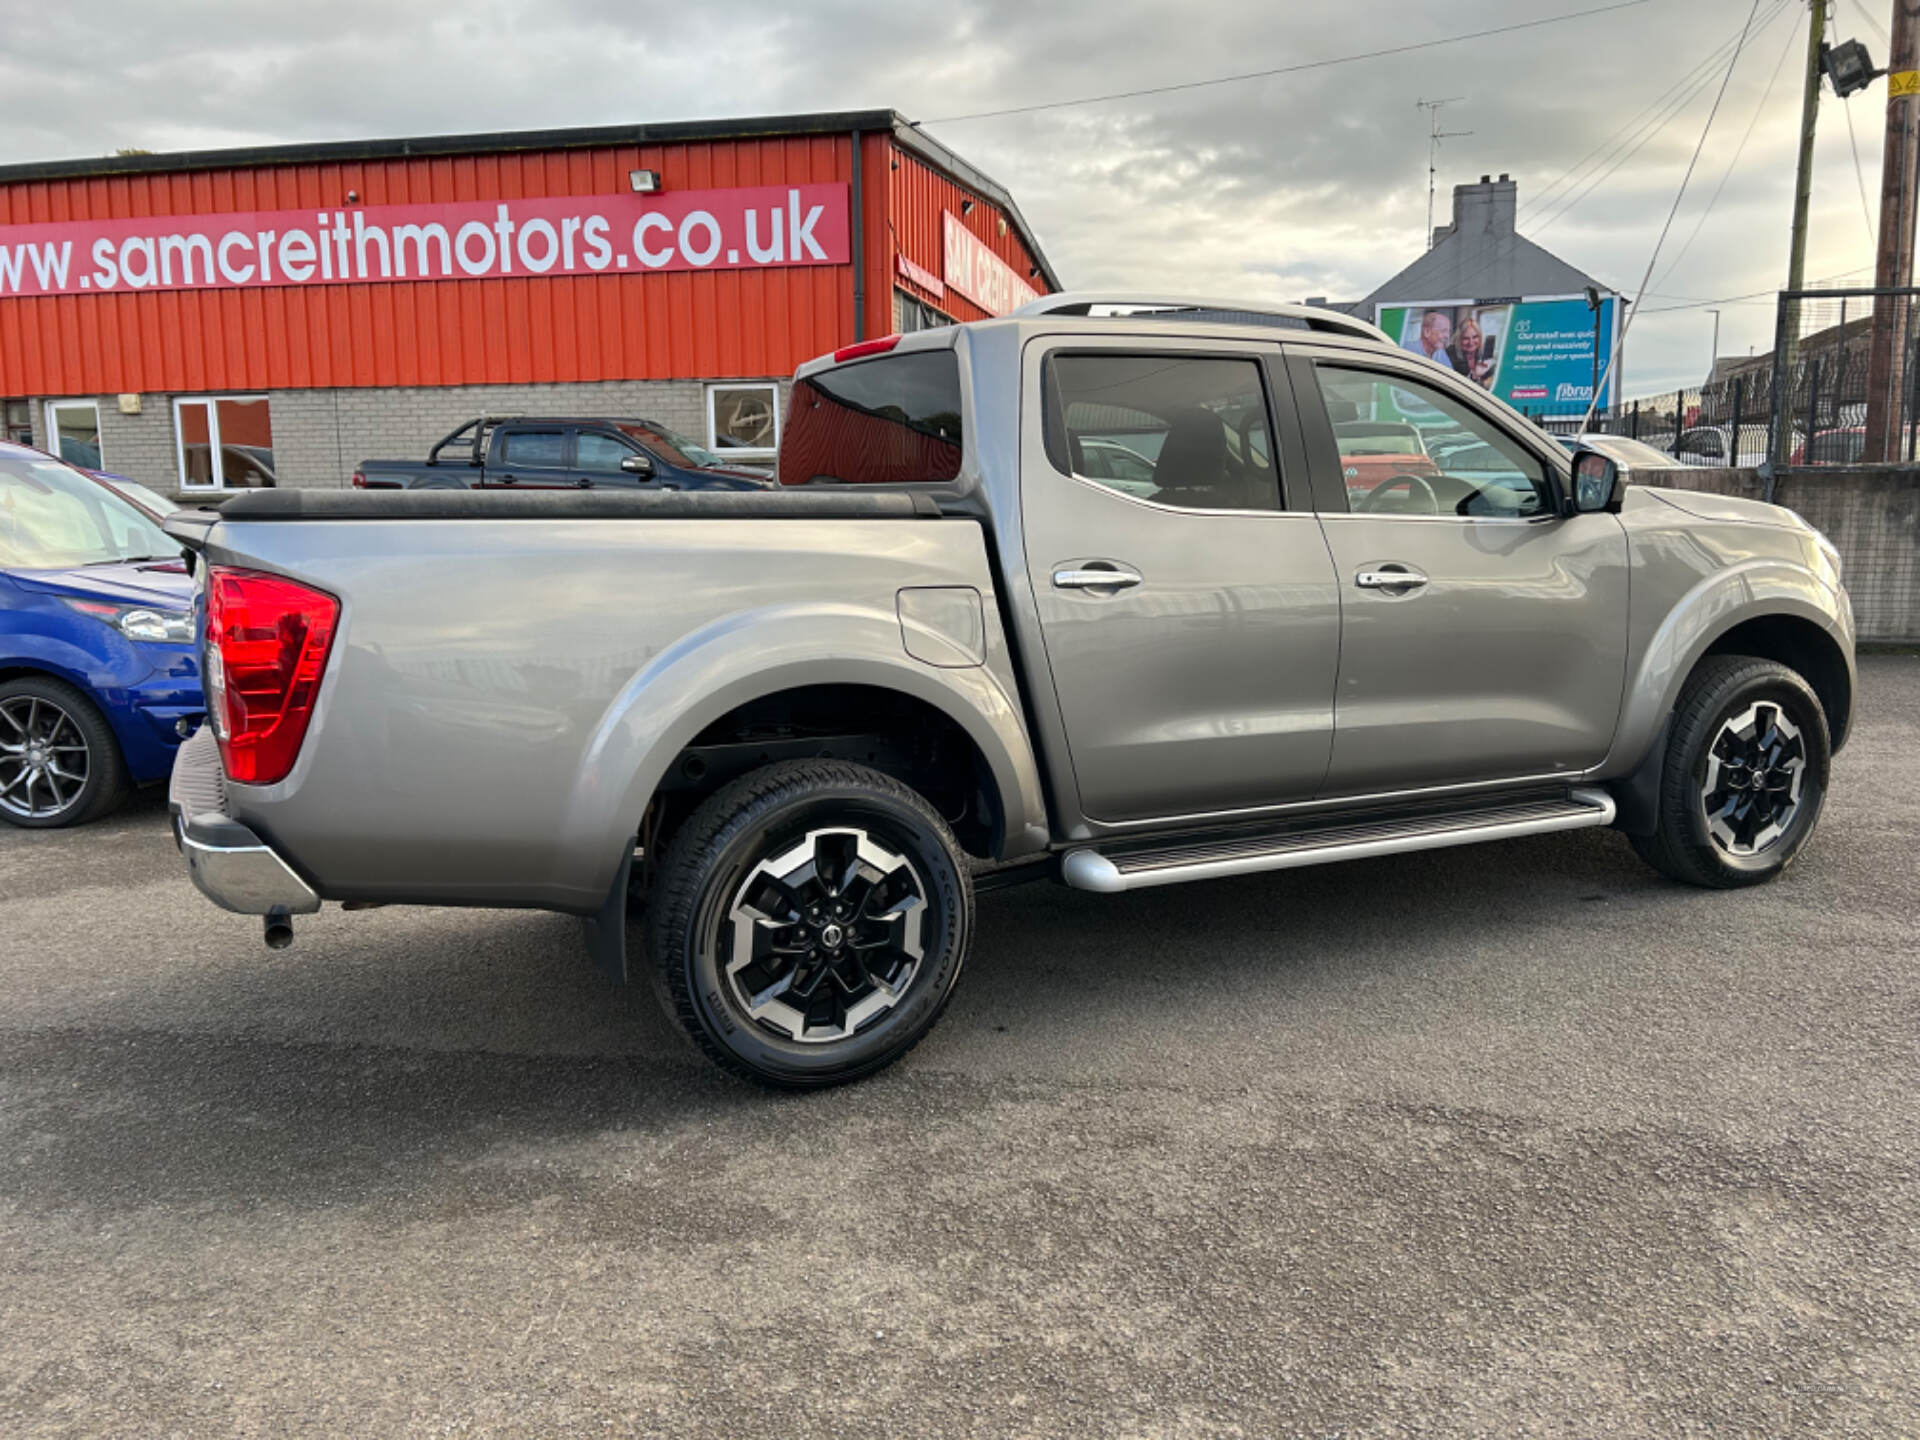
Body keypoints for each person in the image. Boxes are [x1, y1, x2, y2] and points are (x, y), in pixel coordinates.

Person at [1449, 315, 1497, 389]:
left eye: (1475, 337)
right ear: (1459, 339)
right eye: (1466, 338)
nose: (1471, 342)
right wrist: (1474, 376)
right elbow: (1456, 387)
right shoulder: (1450, 355)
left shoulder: (1482, 354)